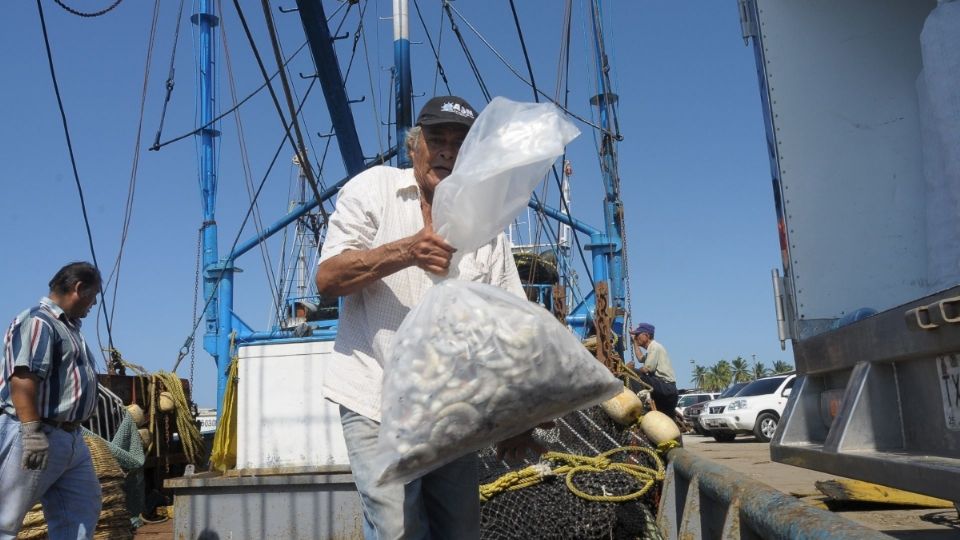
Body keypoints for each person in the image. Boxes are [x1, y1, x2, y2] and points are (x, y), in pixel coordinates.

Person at [315, 95, 542, 540]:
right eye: (436, 139)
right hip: (374, 398)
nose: (446, 151)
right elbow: (327, 279)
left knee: (460, 530)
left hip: (450, 410)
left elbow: (511, 324)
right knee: (399, 529)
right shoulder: (373, 189)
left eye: (459, 144)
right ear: (413, 146)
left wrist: (520, 416)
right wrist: (406, 251)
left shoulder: (487, 226)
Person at [0, 262, 103, 539]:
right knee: (5, 519)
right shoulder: (38, 321)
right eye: (94, 296)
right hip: (37, 433)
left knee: (81, 512)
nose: (93, 304)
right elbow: (22, 378)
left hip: (70, 439)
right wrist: (32, 432)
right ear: (79, 288)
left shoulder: (69, 327)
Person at [630, 323, 679, 417]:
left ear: (646, 335)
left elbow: (646, 369)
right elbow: (640, 358)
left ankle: (640, 405)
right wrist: (635, 343)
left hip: (665, 387)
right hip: (669, 390)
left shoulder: (654, 347)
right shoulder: (652, 349)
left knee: (634, 373)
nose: (636, 337)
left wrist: (630, 369)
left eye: (637, 335)